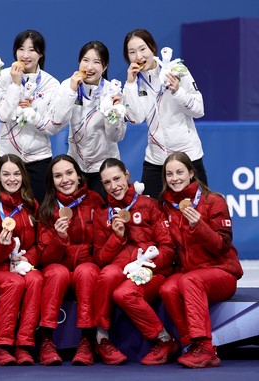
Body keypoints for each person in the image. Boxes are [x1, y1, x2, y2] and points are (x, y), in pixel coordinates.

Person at [158, 152, 243, 368]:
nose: (175, 178)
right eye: (169, 174)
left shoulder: (214, 201)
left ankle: (205, 347)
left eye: (179, 172)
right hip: (189, 272)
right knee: (167, 288)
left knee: (190, 281)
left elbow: (221, 247)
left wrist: (199, 226)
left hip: (221, 272)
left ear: (191, 173)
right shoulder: (166, 206)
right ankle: (189, 344)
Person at [92, 158, 176, 365]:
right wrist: (117, 237)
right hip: (121, 268)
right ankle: (101, 339)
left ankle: (164, 340)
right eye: (107, 183)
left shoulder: (150, 205)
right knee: (107, 274)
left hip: (152, 271)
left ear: (127, 175)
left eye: (117, 179)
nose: (113, 186)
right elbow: (100, 258)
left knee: (124, 293)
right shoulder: (103, 213)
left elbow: (169, 249)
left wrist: (148, 266)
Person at [122, 28, 207, 199]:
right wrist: (130, 85)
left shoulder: (176, 70)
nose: (138, 56)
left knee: (199, 213)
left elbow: (199, 110)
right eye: (132, 52)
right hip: (156, 160)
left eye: (142, 49)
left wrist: (177, 92)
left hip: (187, 157)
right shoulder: (134, 82)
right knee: (149, 216)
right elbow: (135, 118)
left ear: (153, 48)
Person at [36, 155, 104, 365]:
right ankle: (46, 340)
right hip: (58, 270)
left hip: (87, 268)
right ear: (52, 181)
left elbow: (102, 245)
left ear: (79, 175)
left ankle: (87, 340)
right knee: (57, 272)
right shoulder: (46, 208)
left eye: (69, 173)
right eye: (58, 176)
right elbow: (44, 258)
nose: (65, 179)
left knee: (87, 271)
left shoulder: (95, 200)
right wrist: (60, 239)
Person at [0, 154, 43, 366]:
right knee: (14, 282)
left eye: (16, 174)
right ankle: (0, 347)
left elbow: (37, 245)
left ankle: (24, 345)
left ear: (23, 177)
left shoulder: (32, 205)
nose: (12, 179)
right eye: (6, 174)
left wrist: (26, 258)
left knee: (35, 279)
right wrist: (4, 245)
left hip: (22, 265)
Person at [51, 41, 127, 200]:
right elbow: (58, 121)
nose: (89, 67)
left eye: (96, 62)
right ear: (79, 62)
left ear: (105, 67)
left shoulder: (112, 91)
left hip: (105, 169)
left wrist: (111, 113)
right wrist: (72, 91)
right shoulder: (68, 85)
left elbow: (116, 137)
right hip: (76, 168)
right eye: (85, 60)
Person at [0, 30, 61, 202]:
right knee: (4, 212)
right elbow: (3, 115)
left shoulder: (51, 84)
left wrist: (32, 112)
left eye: (32, 50)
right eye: (21, 49)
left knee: (39, 213)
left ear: (41, 53)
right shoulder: (2, 77)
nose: (25, 55)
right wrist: (15, 85)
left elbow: (51, 126)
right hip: (7, 157)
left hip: (38, 158)